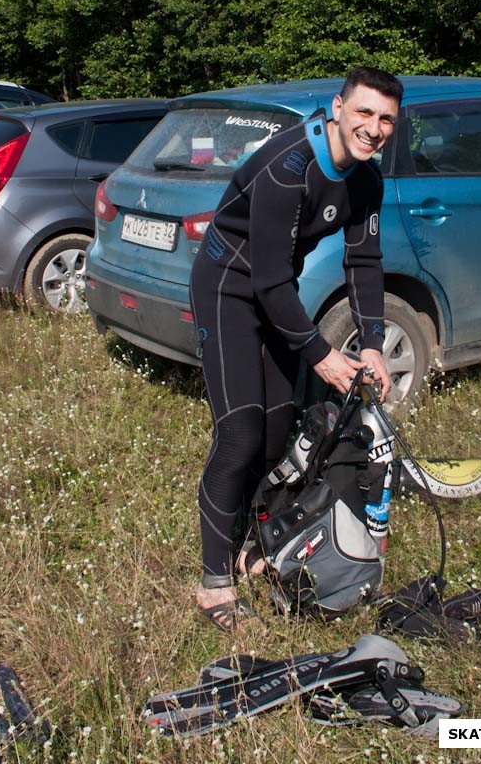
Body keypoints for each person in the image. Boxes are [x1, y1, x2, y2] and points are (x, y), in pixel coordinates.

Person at [189, 67, 403, 631]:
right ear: (338, 107)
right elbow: (266, 284)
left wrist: (374, 343)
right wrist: (321, 355)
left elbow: (365, 262)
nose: (373, 127)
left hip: (274, 290)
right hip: (227, 289)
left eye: (385, 119)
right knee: (240, 432)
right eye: (363, 113)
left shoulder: (367, 179)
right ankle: (214, 582)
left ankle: (256, 544)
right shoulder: (290, 169)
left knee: (279, 428)